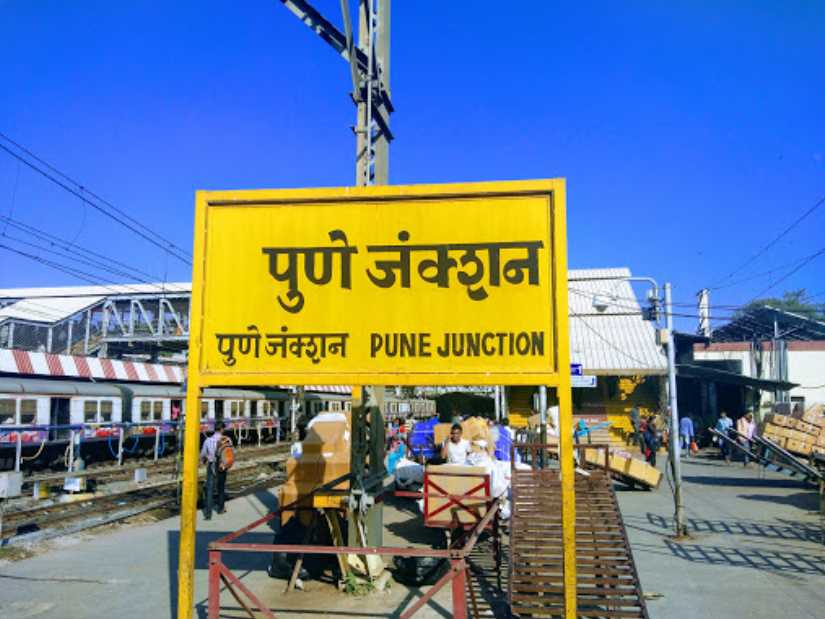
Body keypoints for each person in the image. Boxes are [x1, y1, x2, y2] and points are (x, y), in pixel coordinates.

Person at [200, 422, 231, 520]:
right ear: (222, 429)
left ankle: (208, 514)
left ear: (214, 429)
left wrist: (205, 460)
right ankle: (221, 509)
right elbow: (230, 453)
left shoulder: (208, 440)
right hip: (222, 466)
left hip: (211, 465)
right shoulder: (227, 440)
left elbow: (203, 454)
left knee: (209, 489)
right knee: (221, 487)